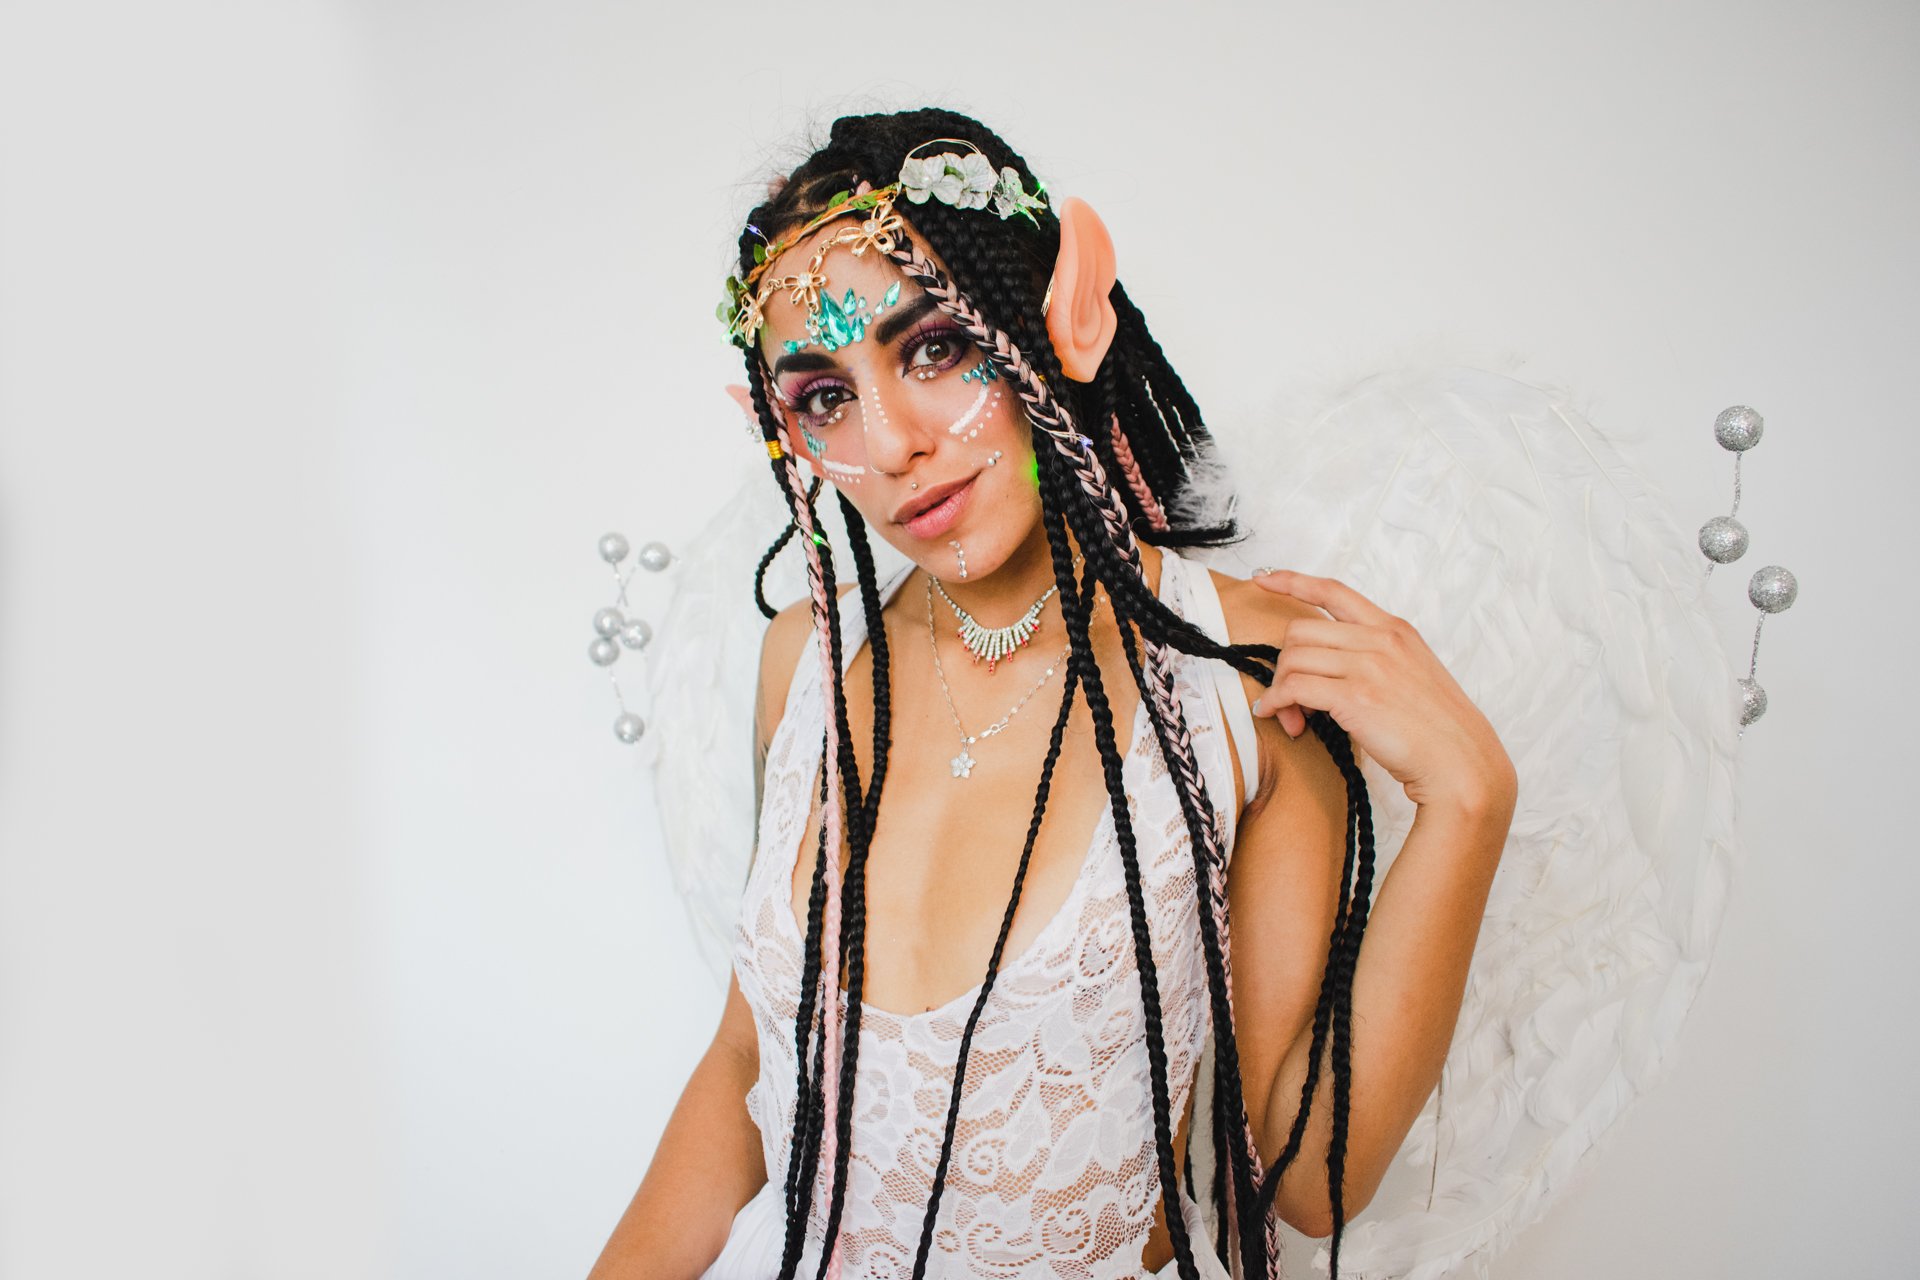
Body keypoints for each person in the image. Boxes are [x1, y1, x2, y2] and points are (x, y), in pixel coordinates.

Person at [588, 108, 1517, 1280]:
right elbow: (749, 1064)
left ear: (1054, 315)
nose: (893, 441)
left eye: (934, 348)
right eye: (825, 396)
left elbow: (1309, 1180)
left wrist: (1471, 802)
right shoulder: (807, 664)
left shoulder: (1236, 676)